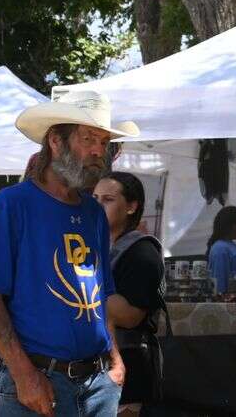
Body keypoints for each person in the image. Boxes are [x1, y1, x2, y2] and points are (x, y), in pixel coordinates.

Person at [0, 89, 139, 417]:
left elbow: (99, 295)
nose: (97, 152)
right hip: (36, 383)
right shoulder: (13, 204)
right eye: (88, 138)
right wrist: (23, 375)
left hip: (97, 384)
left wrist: (115, 361)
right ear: (55, 141)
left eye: (104, 143)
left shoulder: (93, 213)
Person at [94, 172, 164, 413]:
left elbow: (130, 315)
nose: (98, 205)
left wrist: (78, 289)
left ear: (132, 206)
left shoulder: (142, 252)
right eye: (95, 198)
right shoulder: (94, 245)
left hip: (128, 364)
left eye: (108, 199)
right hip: (92, 365)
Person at [206, 207, 236, 295]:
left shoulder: (233, 246)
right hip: (230, 303)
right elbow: (219, 282)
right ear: (235, 227)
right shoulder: (220, 249)